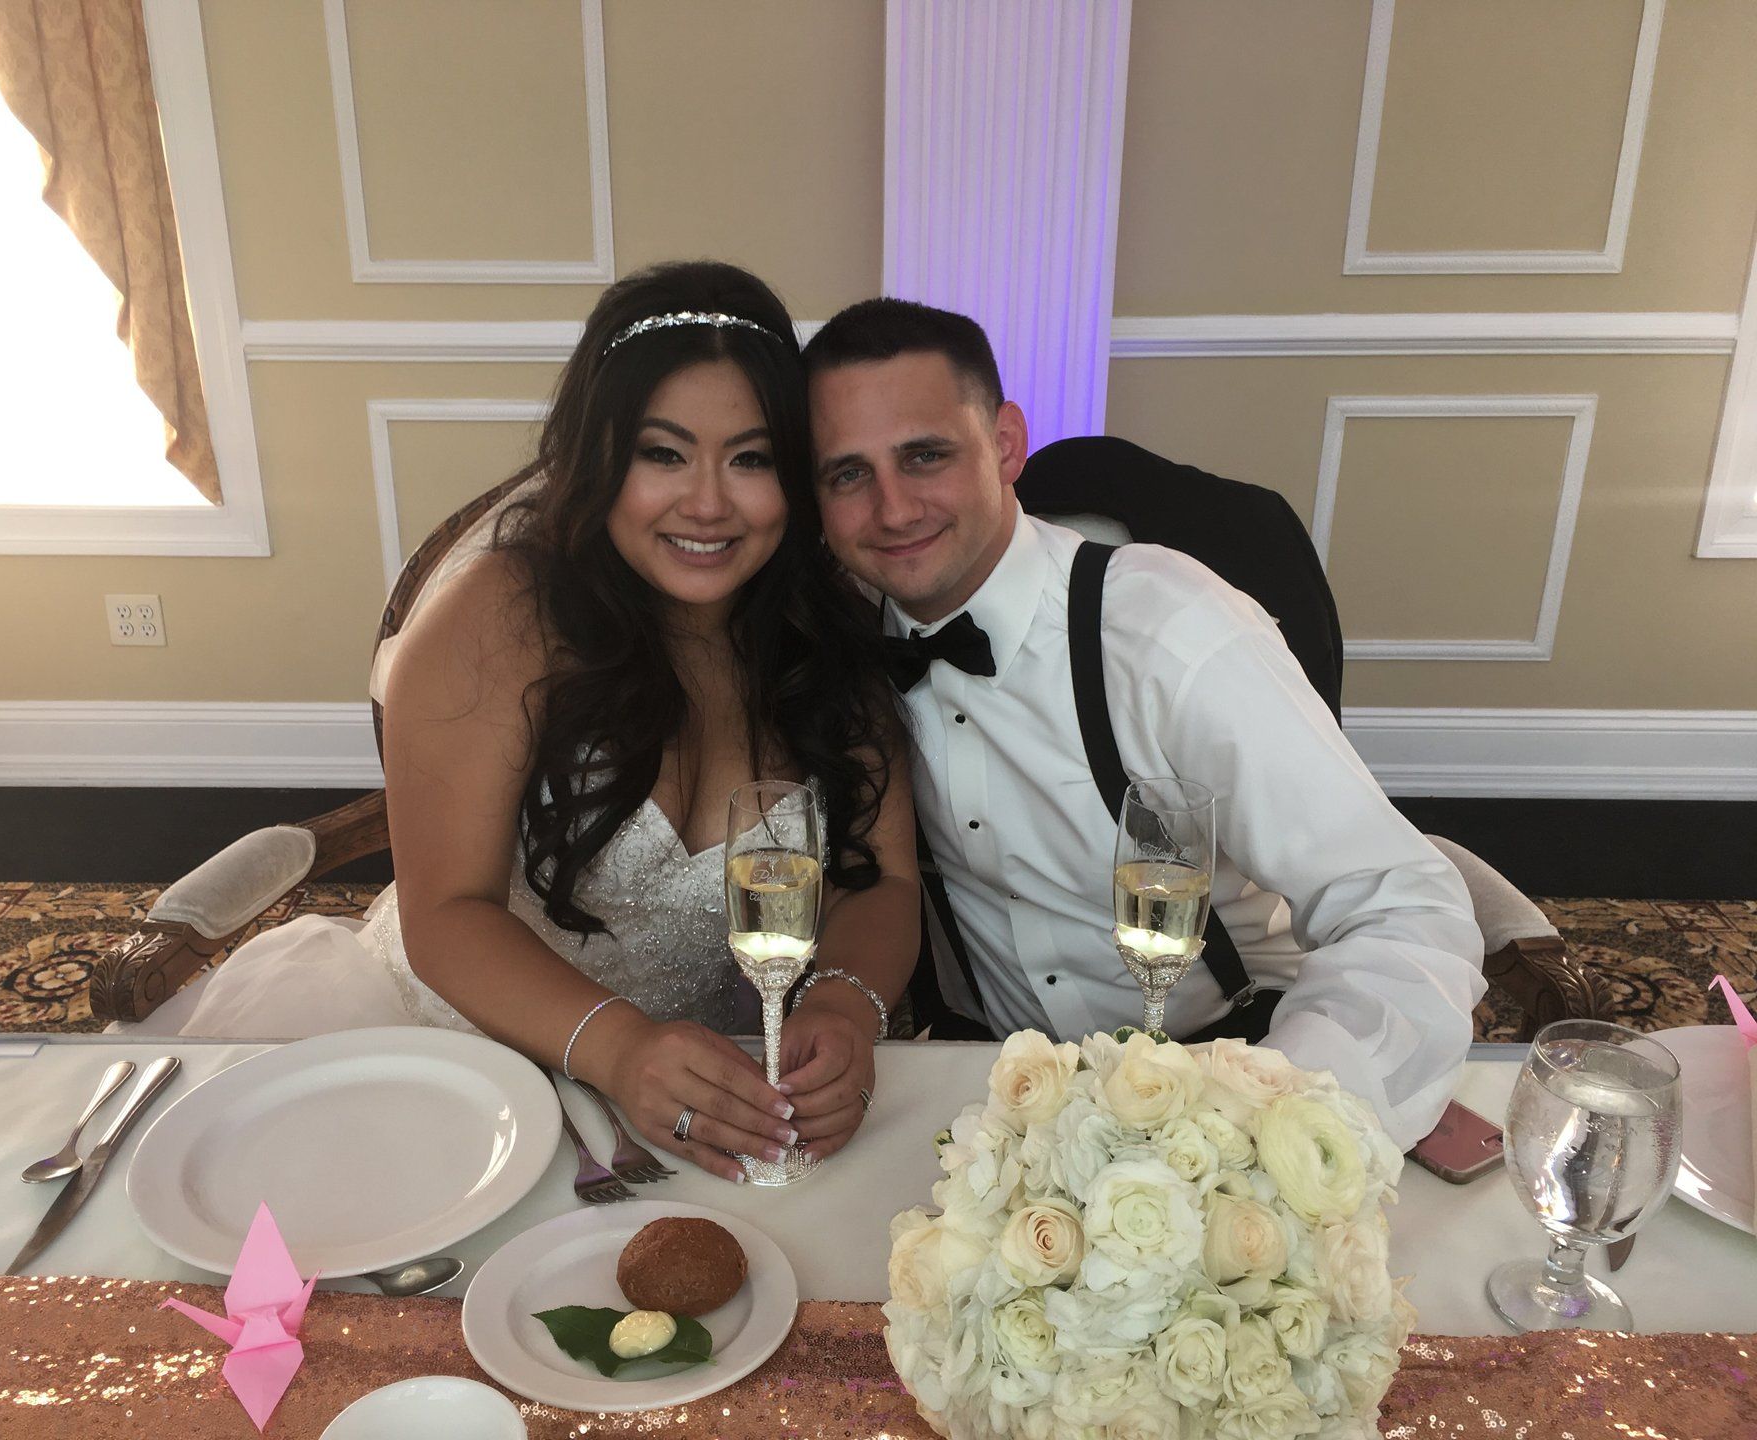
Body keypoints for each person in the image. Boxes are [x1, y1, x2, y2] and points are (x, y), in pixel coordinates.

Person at [182, 262, 919, 1180]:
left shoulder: (824, 631)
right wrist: (617, 1050)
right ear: (600, 457)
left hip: (710, 1084)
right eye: (663, 453)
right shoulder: (497, 617)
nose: (708, 502)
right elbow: (445, 910)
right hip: (457, 1054)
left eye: (752, 458)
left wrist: (845, 1007)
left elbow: (881, 880)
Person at [803, 298, 1484, 1148]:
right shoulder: (837, 649)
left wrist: (1284, 1119)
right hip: (999, 1096)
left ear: (1006, 444)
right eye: (848, 474)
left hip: (1233, 1065)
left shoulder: (1168, 631)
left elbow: (1402, 902)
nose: (893, 509)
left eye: (926, 455)